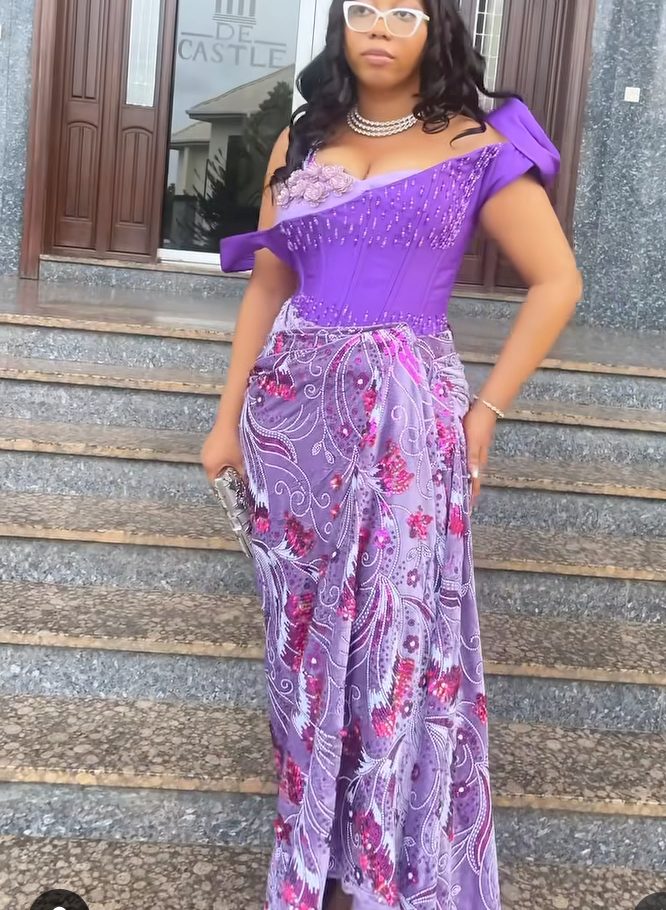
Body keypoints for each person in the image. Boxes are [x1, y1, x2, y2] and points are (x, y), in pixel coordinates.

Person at [201, 0, 583, 907]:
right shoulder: (301, 139)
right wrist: (225, 420)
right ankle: (318, 856)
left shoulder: (478, 143)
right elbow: (267, 287)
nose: (378, 26)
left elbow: (558, 280)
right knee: (301, 646)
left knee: (394, 638)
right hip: (293, 421)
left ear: (434, 29)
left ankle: (380, 867)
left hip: (408, 422)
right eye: (362, 9)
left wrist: (485, 413)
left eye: (402, 12)